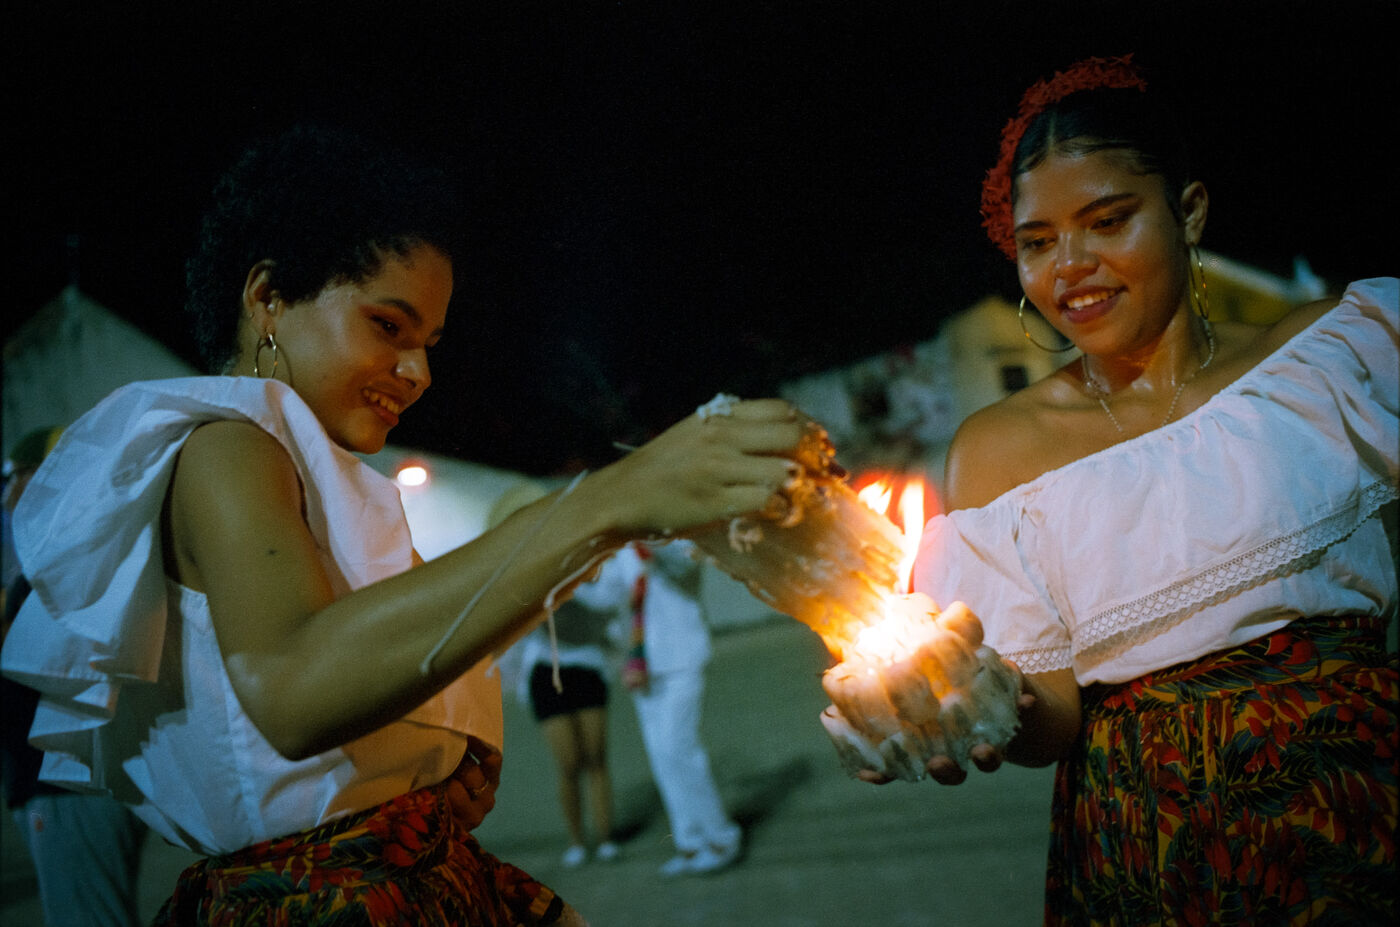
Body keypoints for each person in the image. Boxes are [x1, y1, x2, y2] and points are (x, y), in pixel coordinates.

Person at [0, 124, 812, 926]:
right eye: (388, 326)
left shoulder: (303, 466)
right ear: (268, 297)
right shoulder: (228, 444)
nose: (418, 372)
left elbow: (338, 690)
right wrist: (608, 501)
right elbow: (291, 685)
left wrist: (427, 758)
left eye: (429, 343)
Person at [864, 56, 1396, 924]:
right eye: (1038, 242)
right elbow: (1050, 721)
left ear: (1189, 212)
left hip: (1360, 806)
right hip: (1150, 845)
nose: (1070, 266)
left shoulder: (1332, 358)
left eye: (1107, 221)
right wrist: (972, 700)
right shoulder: (1000, 453)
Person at [3, 426, 150, 927]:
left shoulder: (61, 561)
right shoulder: (80, 552)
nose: (8, 495)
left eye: (17, 476)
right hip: (74, 779)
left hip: (65, 781)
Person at [574, 540, 743, 877]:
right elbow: (604, 596)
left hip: (682, 659)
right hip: (643, 667)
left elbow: (682, 565)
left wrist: (645, 536)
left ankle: (721, 837)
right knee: (662, 759)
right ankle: (690, 842)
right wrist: (567, 581)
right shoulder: (625, 550)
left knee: (680, 750)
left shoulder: (677, 540)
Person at [490, 482, 621, 869]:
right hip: (546, 673)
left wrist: (568, 582)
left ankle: (606, 838)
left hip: (587, 666)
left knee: (596, 758)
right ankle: (577, 842)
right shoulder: (524, 569)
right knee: (568, 764)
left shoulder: (585, 560)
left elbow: (608, 602)